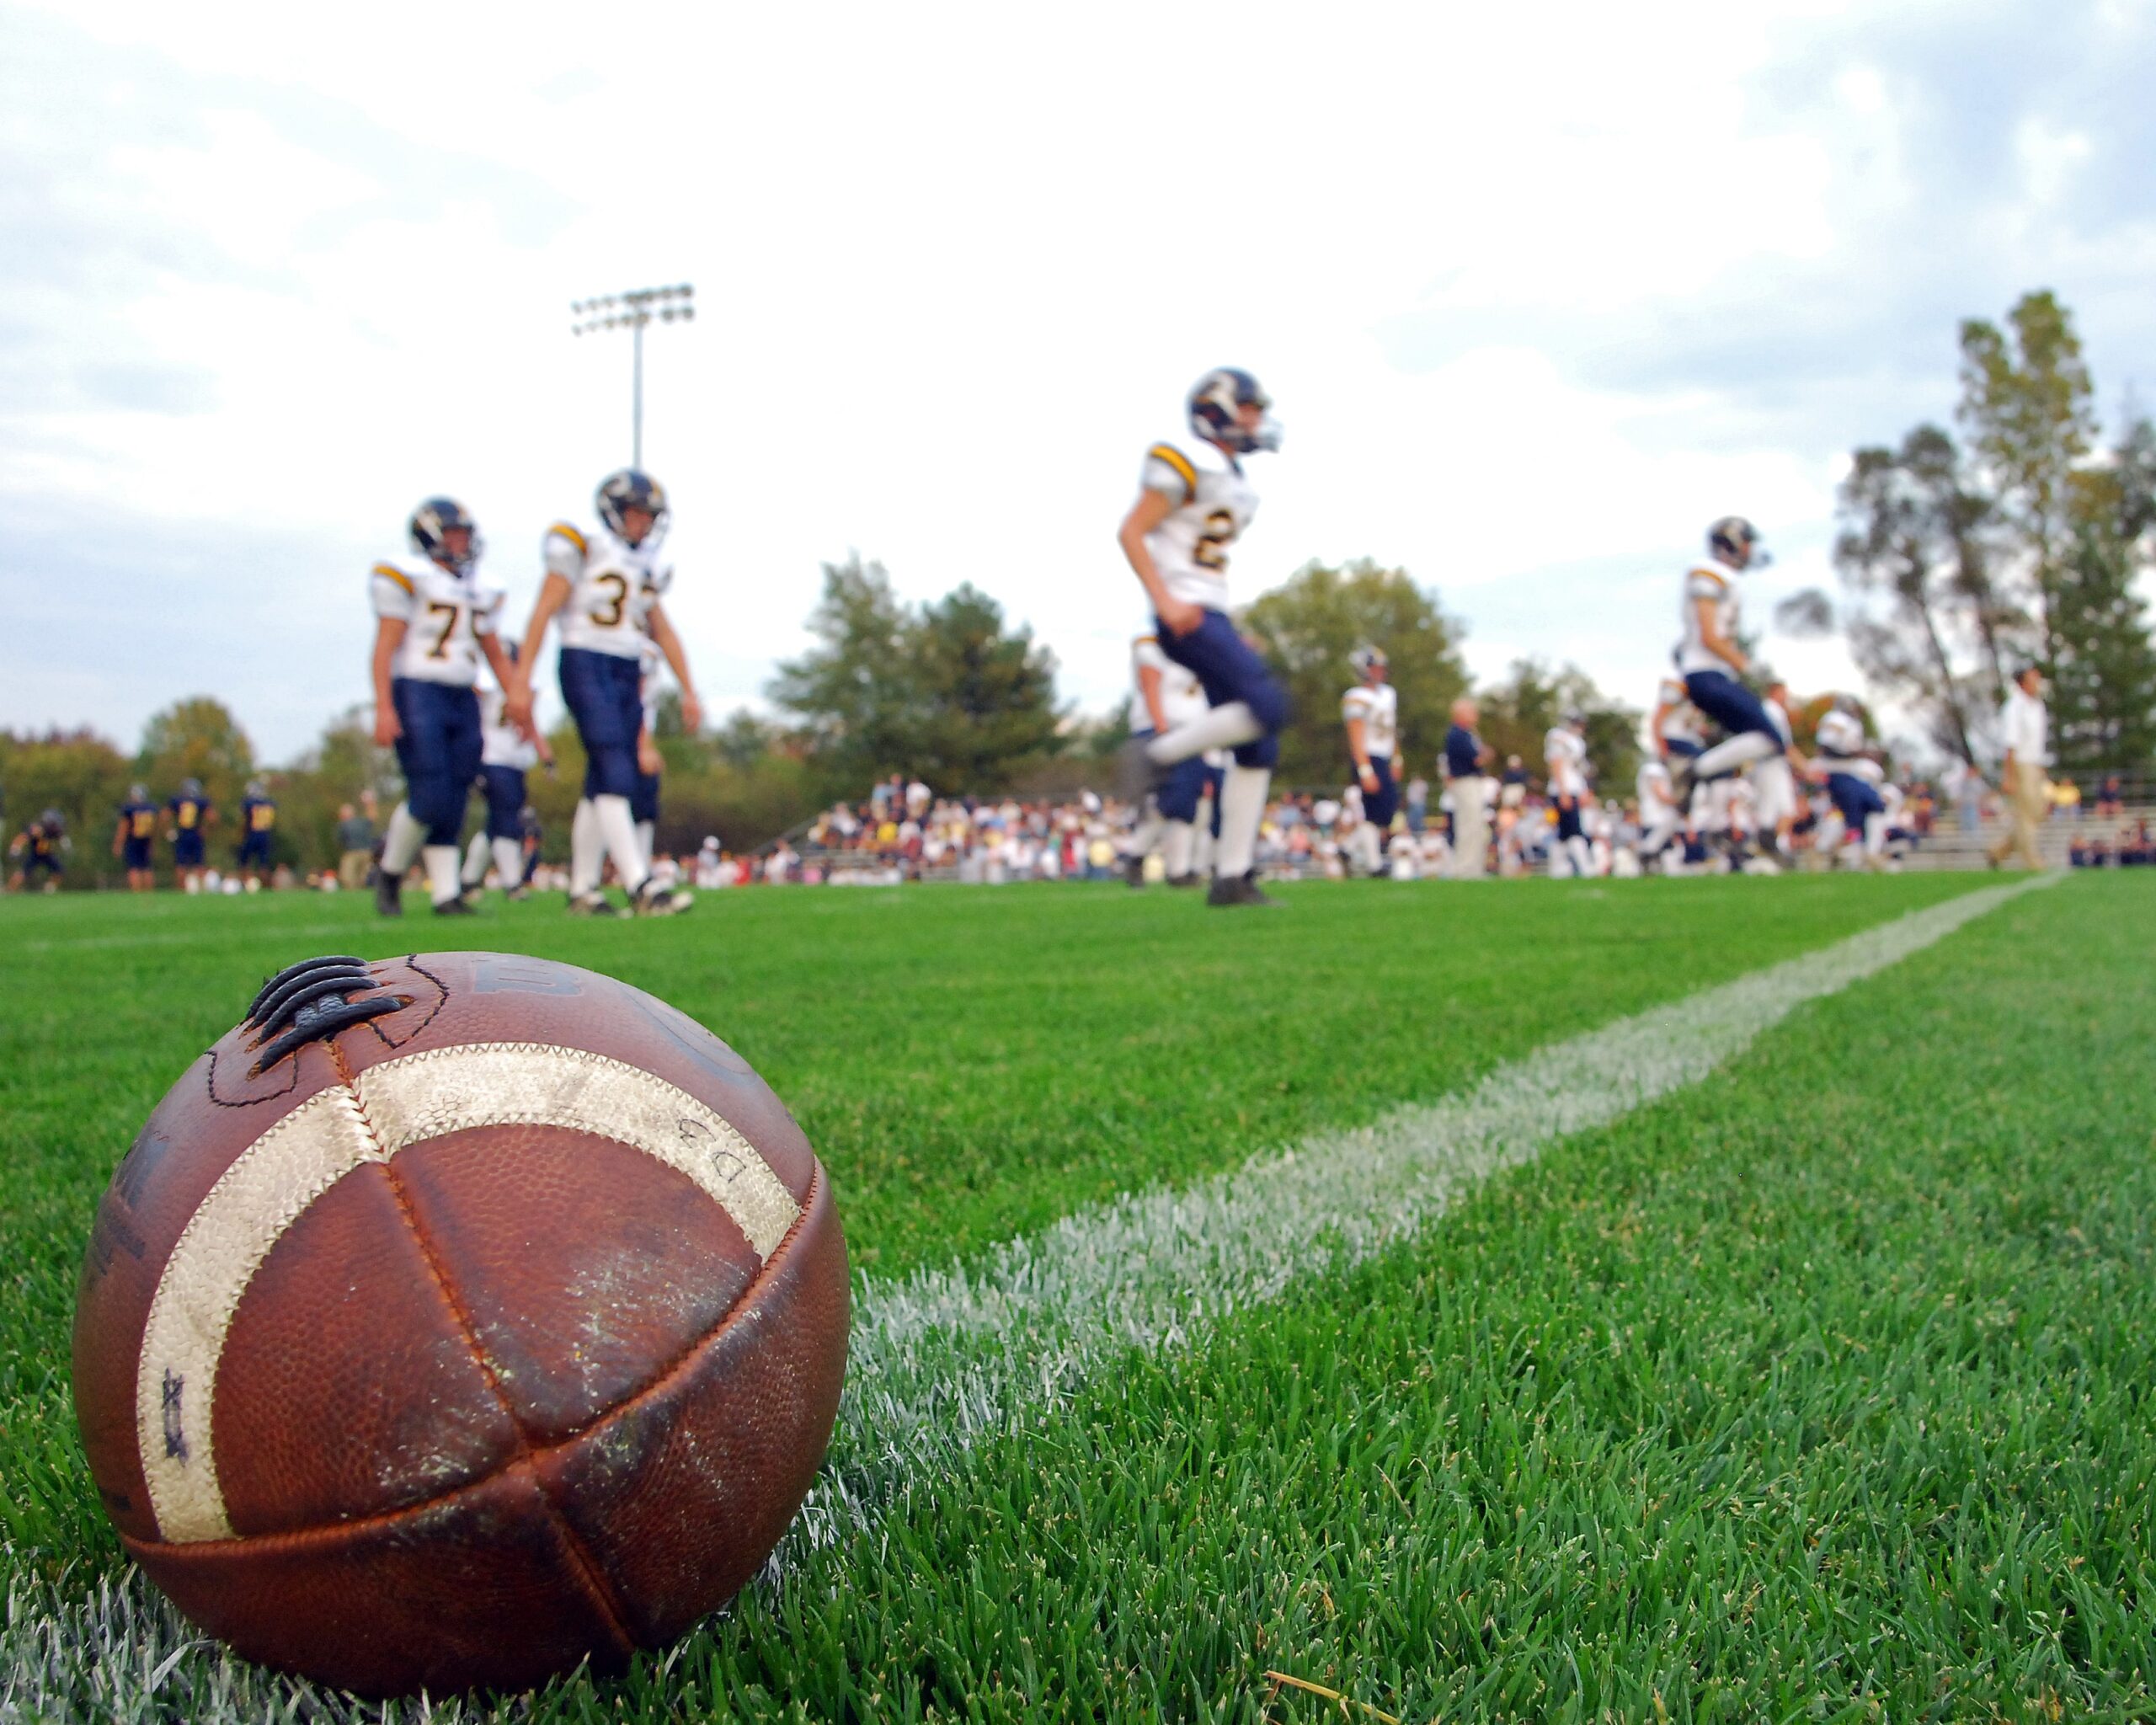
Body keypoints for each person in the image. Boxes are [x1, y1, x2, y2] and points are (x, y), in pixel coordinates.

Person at [1116, 368, 1288, 908]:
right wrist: (1165, 600)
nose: (1257, 419)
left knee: (1259, 745)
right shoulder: (1188, 459)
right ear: (1217, 411)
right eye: (1248, 408)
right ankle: (1159, 754)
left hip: (1210, 610)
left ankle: (1232, 877)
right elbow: (1131, 531)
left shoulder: (1234, 480)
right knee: (1271, 705)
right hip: (1186, 613)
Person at [508, 470, 698, 917]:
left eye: (650, 516)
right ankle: (640, 884)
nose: (645, 524)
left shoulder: (645, 564)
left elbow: (663, 630)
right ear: (613, 512)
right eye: (637, 513)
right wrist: (521, 681)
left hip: (626, 666)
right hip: (585, 658)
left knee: (602, 779)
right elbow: (542, 612)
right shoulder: (583, 546)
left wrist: (689, 689)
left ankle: (582, 888)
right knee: (616, 767)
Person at [369, 497, 520, 917]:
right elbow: (385, 647)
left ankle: (446, 893)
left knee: (456, 796)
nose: (460, 543)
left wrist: (518, 701)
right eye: (452, 534)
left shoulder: (478, 588)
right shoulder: (410, 577)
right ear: (429, 538)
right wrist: (384, 706)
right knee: (430, 792)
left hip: (462, 694)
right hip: (418, 689)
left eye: (464, 535)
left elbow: (493, 651)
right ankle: (391, 871)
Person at [1670, 517, 1784, 804]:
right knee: (1771, 737)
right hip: (1706, 674)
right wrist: (1746, 665)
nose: (1749, 550)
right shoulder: (1709, 572)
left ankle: (1770, 824)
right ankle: (1695, 770)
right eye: (1746, 543)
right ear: (1731, 543)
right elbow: (1709, 636)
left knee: (1772, 742)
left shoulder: (1721, 577)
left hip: (1713, 674)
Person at [1123, 630, 1214, 887]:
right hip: (1164, 731)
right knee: (1170, 801)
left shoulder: (1191, 652)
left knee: (1184, 806)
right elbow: (1151, 684)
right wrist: (1161, 727)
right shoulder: (1152, 645)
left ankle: (1178, 870)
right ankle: (1137, 855)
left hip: (1190, 734)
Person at [462, 642, 552, 900]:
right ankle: (512, 882)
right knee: (507, 821)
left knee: (495, 824)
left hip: (513, 761)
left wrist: (546, 756)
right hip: (493, 758)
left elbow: (531, 725)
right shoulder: (489, 689)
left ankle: (468, 880)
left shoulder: (519, 691)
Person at [1341, 646, 1398, 878]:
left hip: (1383, 755)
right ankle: (1374, 865)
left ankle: (1346, 849)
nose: (1380, 671)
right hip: (1367, 756)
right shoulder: (1355, 696)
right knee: (1373, 812)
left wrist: (1397, 757)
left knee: (1386, 812)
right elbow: (1355, 734)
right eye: (1375, 667)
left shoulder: (1388, 694)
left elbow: (1391, 729)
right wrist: (1364, 769)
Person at [1988, 663, 2052, 870]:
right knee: (2025, 814)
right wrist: (2009, 776)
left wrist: (2041, 768)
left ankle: (1999, 851)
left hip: (2034, 763)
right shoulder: (2014, 708)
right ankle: (2031, 860)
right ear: (2023, 682)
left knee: (2038, 812)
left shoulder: (2038, 706)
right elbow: (2011, 745)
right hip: (2020, 764)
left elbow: (2038, 741)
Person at [1813, 699, 1890, 870]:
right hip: (1836, 772)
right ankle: (1823, 849)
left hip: (1850, 773)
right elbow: (1826, 746)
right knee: (1852, 815)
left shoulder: (1853, 724)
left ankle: (1870, 852)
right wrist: (1857, 753)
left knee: (1873, 805)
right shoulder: (1836, 719)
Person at [1443, 697, 1491, 879]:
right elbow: (1475, 759)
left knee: (1477, 825)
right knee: (1468, 825)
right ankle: (1464, 868)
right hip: (1465, 781)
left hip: (1473, 781)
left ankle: (1475, 868)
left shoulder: (1469, 734)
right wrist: (1484, 756)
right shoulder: (1457, 735)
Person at [1544, 710, 1594, 878]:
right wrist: (1563, 791)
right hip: (1563, 789)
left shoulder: (1577, 742)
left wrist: (1584, 790)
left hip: (1573, 788)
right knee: (1574, 830)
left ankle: (1558, 868)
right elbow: (1556, 764)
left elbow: (1579, 769)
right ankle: (1584, 866)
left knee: (1564, 833)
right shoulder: (1558, 738)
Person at [166, 778, 214, 892]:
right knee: (199, 864)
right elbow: (213, 818)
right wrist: (206, 829)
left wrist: (169, 829)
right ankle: (201, 890)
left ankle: (182, 890)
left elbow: (165, 816)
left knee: (181, 864)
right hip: (196, 834)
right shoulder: (201, 801)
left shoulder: (177, 800)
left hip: (182, 833)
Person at [8, 809, 68, 892]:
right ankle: (10, 890)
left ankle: (49, 888)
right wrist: (16, 849)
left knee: (59, 870)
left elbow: (62, 838)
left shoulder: (54, 830)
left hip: (47, 855)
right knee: (23, 873)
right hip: (35, 855)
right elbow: (23, 838)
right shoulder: (37, 828)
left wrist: (66, 846)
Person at [114, 785, 159, 891]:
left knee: (134, 868)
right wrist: (153, 844)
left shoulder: (129, 809)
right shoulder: (151, 808)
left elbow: (123, 827)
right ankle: (149, 892)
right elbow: (155, 828)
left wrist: (118, 844)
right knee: (147, 868)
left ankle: (137, 892)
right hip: (147, 840)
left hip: (133, 840)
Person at [236, 779, 278, 889]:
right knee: (264, 864)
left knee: (244, 862)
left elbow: (245, 820)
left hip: (252, 834)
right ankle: (266, 887)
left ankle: (244, 886)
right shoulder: (270, 803)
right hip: (266, 835)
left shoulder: (249, 803)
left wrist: (242, 833)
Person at [335, 800, 376, 893]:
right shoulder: (361, 822)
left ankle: (353, 893)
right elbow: (372, 818)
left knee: (348, 877)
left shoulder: (343, 825)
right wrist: (371, 803)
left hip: (352, 853)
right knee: (362, 877)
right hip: (366, 852)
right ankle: (358, 893)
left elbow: (339, 841)